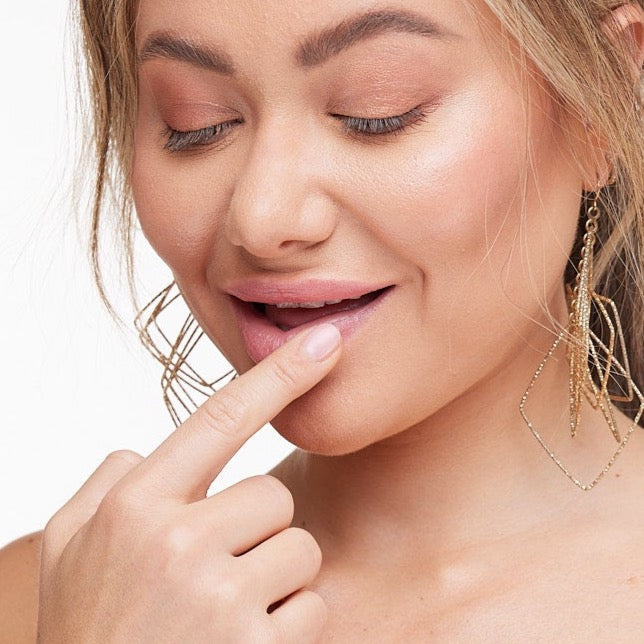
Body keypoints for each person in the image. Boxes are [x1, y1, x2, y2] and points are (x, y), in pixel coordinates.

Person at [1, 0, 643, 640]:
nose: (261, 218)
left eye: (377, 112)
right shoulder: (47, 604)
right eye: (197, 122)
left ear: (607, 92)